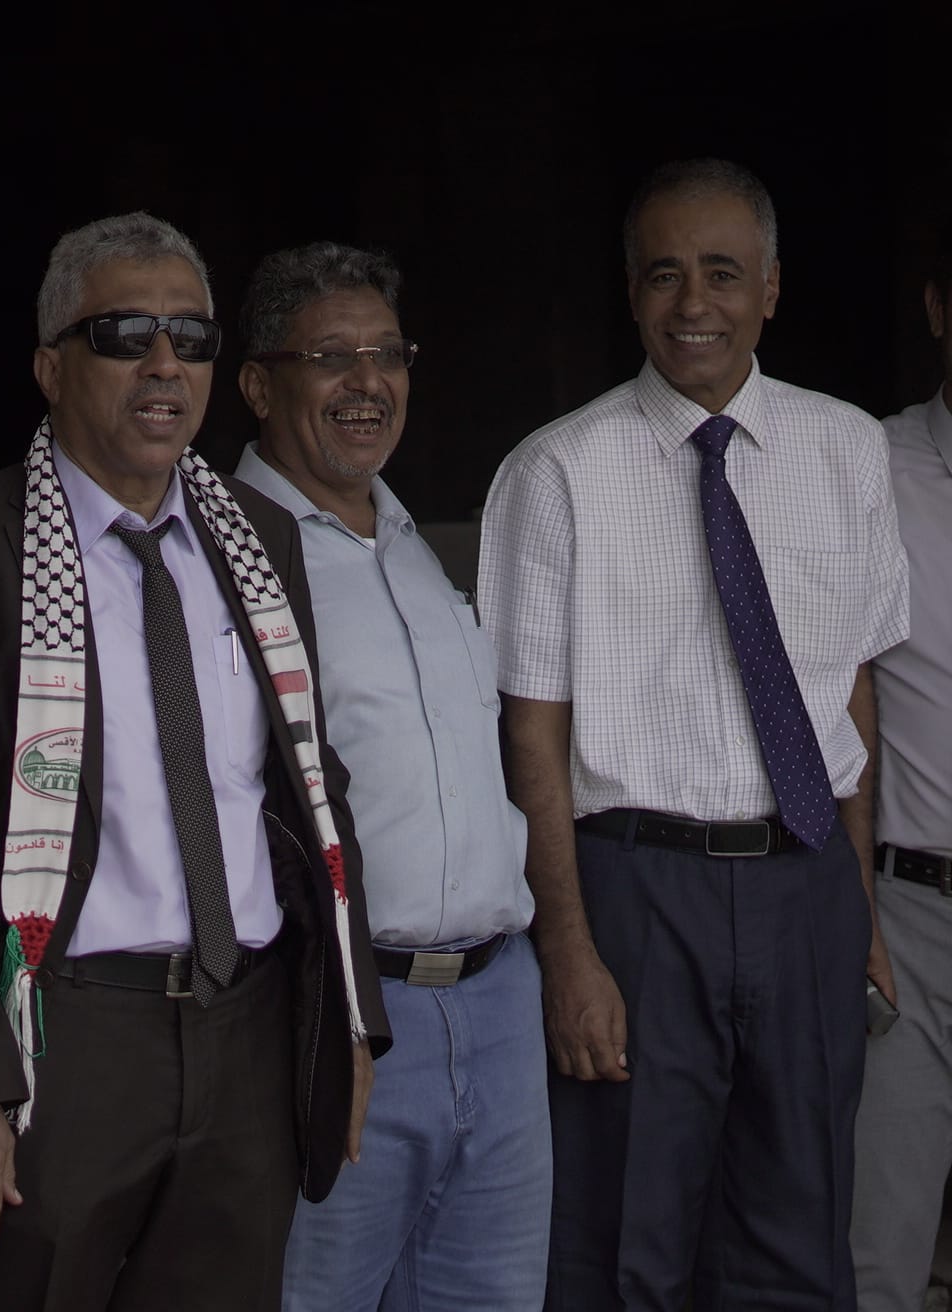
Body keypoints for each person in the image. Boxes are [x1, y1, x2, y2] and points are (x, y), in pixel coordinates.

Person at [0, 211, 388, 1312]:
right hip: (59, 1039)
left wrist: (345, 1014)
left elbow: (309, 788)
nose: (164, 365)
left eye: (191, 339)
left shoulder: (260, 537)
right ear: (51, 367)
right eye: (126, 334)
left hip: (244, 1027)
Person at [479, 158, 909, 1310]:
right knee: (625, 1240)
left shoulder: (847, 451)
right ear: (630, 293)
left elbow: (848, 689)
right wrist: (567, 951)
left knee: (797, 1233)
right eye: (664, 275)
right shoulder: (556, 469)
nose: (693, 304)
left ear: (771, 289)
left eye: (723, 273)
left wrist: (857, 902)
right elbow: (532, 733)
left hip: (807, 884)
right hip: (634, 891)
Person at [232, 240, 547, 1310]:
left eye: (387, 354)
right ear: (259, 383)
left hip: (499, 1001)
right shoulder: (229, 555)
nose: (369, 383)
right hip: (348, 1017)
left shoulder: (409, 539)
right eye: (333, 357)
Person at [852, 215, 952, 1312]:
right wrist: (858, 903)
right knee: (880, 1254)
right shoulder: (867, 463)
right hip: (914, 913)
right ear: (937, 311)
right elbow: (841, 682)